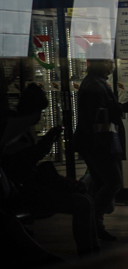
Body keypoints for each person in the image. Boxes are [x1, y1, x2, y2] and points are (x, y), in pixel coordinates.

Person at [2, 83, 99, 257]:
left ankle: (91, 251)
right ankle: (88, 252)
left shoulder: (19, 130)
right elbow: (22, 163)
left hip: (28, 188)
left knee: (86, 201)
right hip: (27, 191)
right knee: (83, 203)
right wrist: (46, 142)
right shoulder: (14, 132)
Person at [72, 42, 128, 242]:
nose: (111, 64)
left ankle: (93, 224)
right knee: (113, 182)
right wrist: (120, 109)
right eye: (107, 60)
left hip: (95, 143)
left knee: (100, 182)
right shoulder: (94, 85)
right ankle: (94, 222)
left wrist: (119, 107)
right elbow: (95, 116)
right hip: (98, 144)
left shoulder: (95, 82)